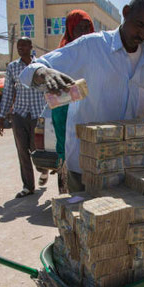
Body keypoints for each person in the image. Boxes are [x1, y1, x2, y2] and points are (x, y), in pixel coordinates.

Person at [20, 0, 144, 192]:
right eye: (140, 25)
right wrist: (43, 73)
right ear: (126, 13)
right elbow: (30, 71)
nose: (143, 34)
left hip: (131, 166)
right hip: (85, 167)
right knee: (80, 218)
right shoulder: (91, 46)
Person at [0, 37, 48, 198]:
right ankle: (28, 186)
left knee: (36, 149)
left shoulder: (41, 65)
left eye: (24, 45)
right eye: (19, 46)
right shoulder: (12, 67)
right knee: (22, 150)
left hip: (37, 114)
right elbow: (8, 92)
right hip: (19, 114)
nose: (21, 48)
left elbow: (48, 89)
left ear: (31, 47)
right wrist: (2, 115)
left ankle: (43, 170)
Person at [51, 9, 95, 194]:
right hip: (67, 116)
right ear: (70, 30)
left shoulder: (99, 55)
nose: (85, 33)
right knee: (71, 171)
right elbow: (54, 96)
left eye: (88, 27)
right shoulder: (61, 58)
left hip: (93, 119)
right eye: (79, 28)